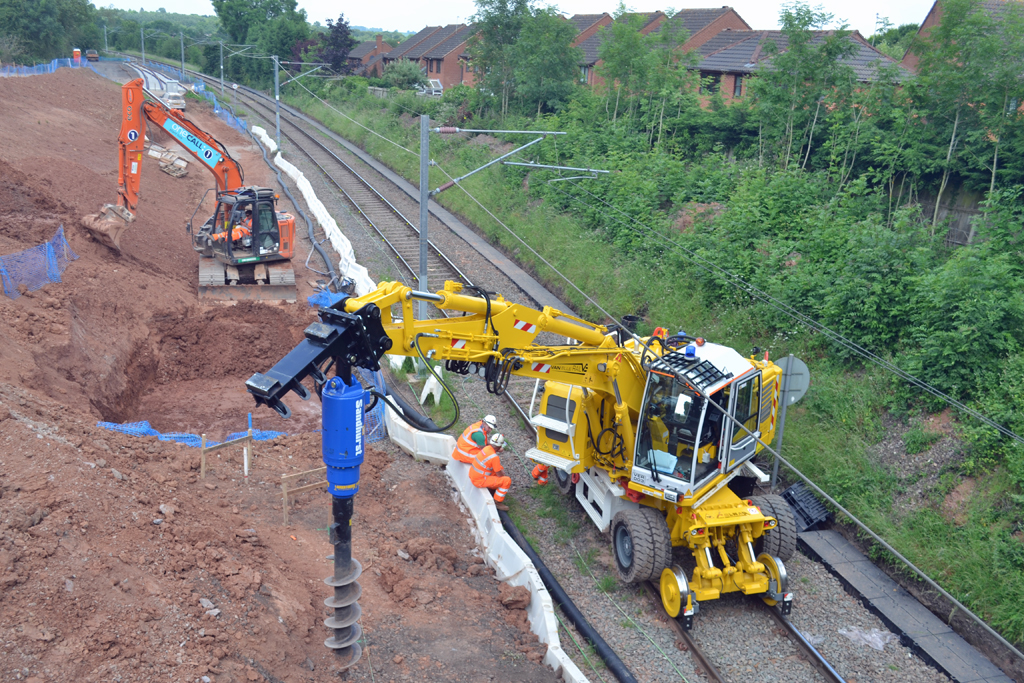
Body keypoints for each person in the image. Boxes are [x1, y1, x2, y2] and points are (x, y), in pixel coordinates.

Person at [469, 433, 511, 510]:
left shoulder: (486, 448)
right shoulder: (494, 457)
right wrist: (502, 474)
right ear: (499, 446)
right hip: (479, 480)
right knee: (506, 480)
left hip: (473, 474)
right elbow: (500, 475)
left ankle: (493, 489)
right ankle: (497, 502)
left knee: (499, 468)